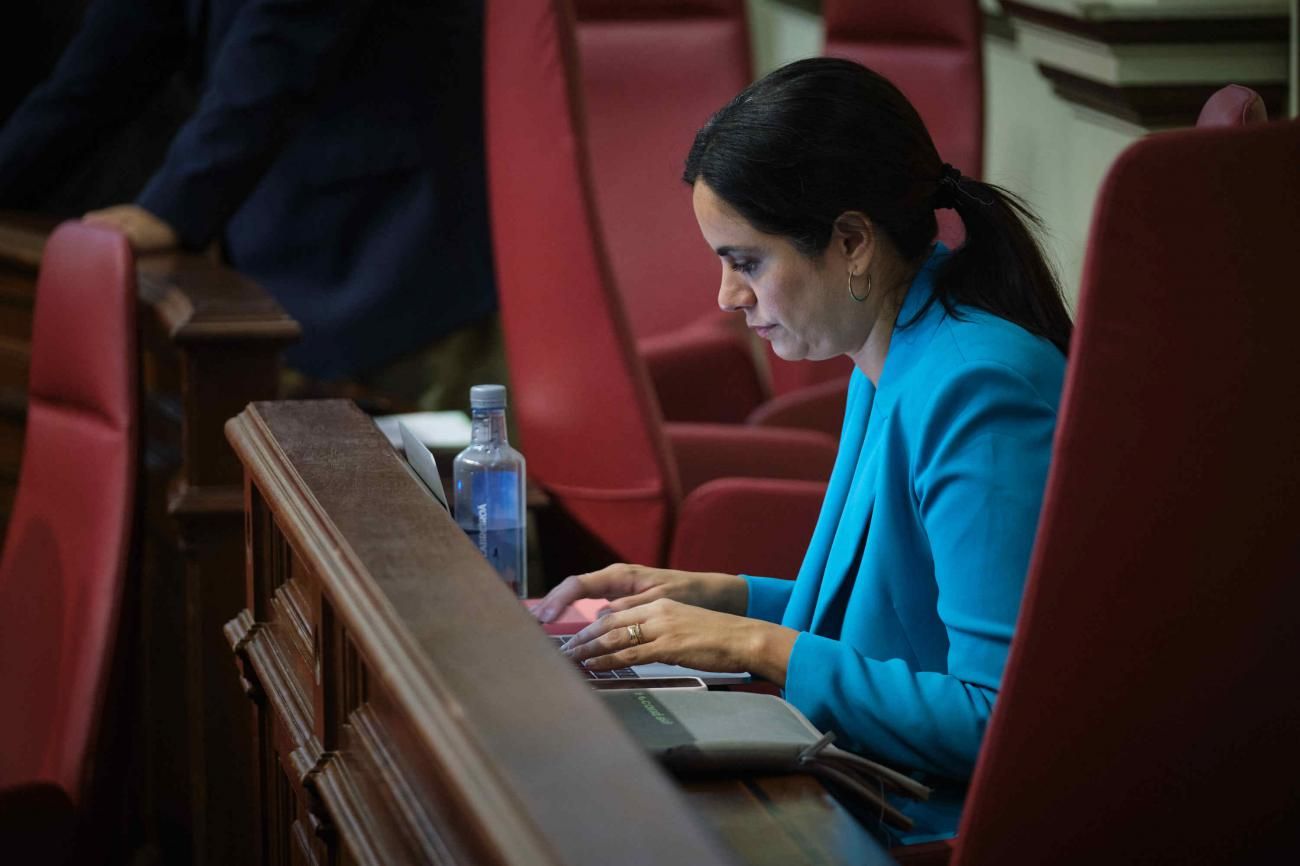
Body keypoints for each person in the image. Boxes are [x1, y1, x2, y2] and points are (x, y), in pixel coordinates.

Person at [534, 57, 1072, 843]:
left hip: (922, 823)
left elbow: (998, 719)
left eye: (745, 261)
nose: (727, 298)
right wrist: (721, 598)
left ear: (852, 241)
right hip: (865, 784)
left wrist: (754, 643)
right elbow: (895, 626)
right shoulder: (891, 340)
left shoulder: (977, 385)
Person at [0, 0, 503, 412]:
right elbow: (100, 67)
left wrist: (170, 209)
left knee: (429, 509)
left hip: (395, 257)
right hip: (279, 252)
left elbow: (282, 44)